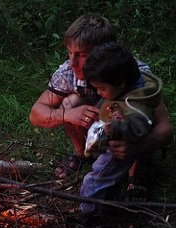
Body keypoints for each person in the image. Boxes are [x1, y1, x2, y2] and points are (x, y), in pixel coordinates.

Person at [29, 14, 172, 183]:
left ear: (104, 52)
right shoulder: (68, 73)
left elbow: (165, 128)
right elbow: (36, 113)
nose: (72, 62)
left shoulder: (133, 72)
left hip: (129, 127)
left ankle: (137, 171)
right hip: (102, 125)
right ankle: (82, 153)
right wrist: (68, 114)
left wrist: (138, 146)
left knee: (134, 113)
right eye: (69, 52)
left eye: (81, 55)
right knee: (70, 103)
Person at [78, 42, 162, 213]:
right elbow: (108, 100)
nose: (99, 92)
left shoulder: (137, 103)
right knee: (107, 179)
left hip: (118, 153)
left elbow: (140, 126)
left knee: (94, 180)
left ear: (121, 83)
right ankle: (108, 200)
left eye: (101, 88)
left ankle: (88, 211)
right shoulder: (120, 88)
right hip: (110, 145)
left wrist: (116, 128)